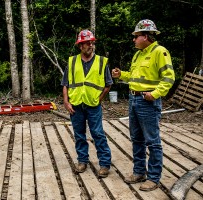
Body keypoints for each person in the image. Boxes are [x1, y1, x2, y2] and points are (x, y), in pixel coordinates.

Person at [112, 19, 175, 191]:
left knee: (152, 141)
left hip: (148, 102)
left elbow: (169, 78)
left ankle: (153, 178)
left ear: (146, 36)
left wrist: (154, 94)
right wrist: (121, 75)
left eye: (136, 36)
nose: (134, 39)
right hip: (134, 100)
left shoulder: (159, 52)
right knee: (136, 139)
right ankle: (139, 172)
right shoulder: (138, 54)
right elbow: (134, 76)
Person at [61, 29, 112, 178]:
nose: (90, 45)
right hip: (76, 105)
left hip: (93, 105)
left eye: (91, 42)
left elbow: (108, 84)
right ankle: (82, 161)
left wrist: (99, 99)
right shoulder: (72, 61)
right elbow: (65, 84)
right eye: (86, 43)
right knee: (79, 135)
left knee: (98, 134)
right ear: (80, 46)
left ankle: (104, 164)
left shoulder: (102, 62)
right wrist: (66, 101)